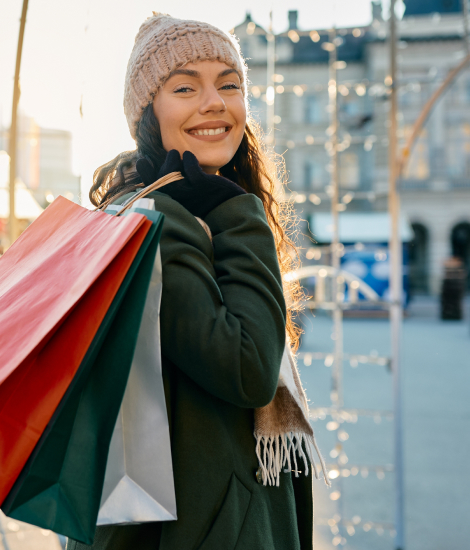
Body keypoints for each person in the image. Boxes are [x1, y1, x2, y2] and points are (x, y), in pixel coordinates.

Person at [73, 14, 323, 550]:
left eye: (229, 85)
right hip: (200, 527)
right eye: (185, 87)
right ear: (147, 111)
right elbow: (248, 368)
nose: (214, 102)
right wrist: (241, 215)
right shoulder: (156, 224)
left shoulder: (184, 211)